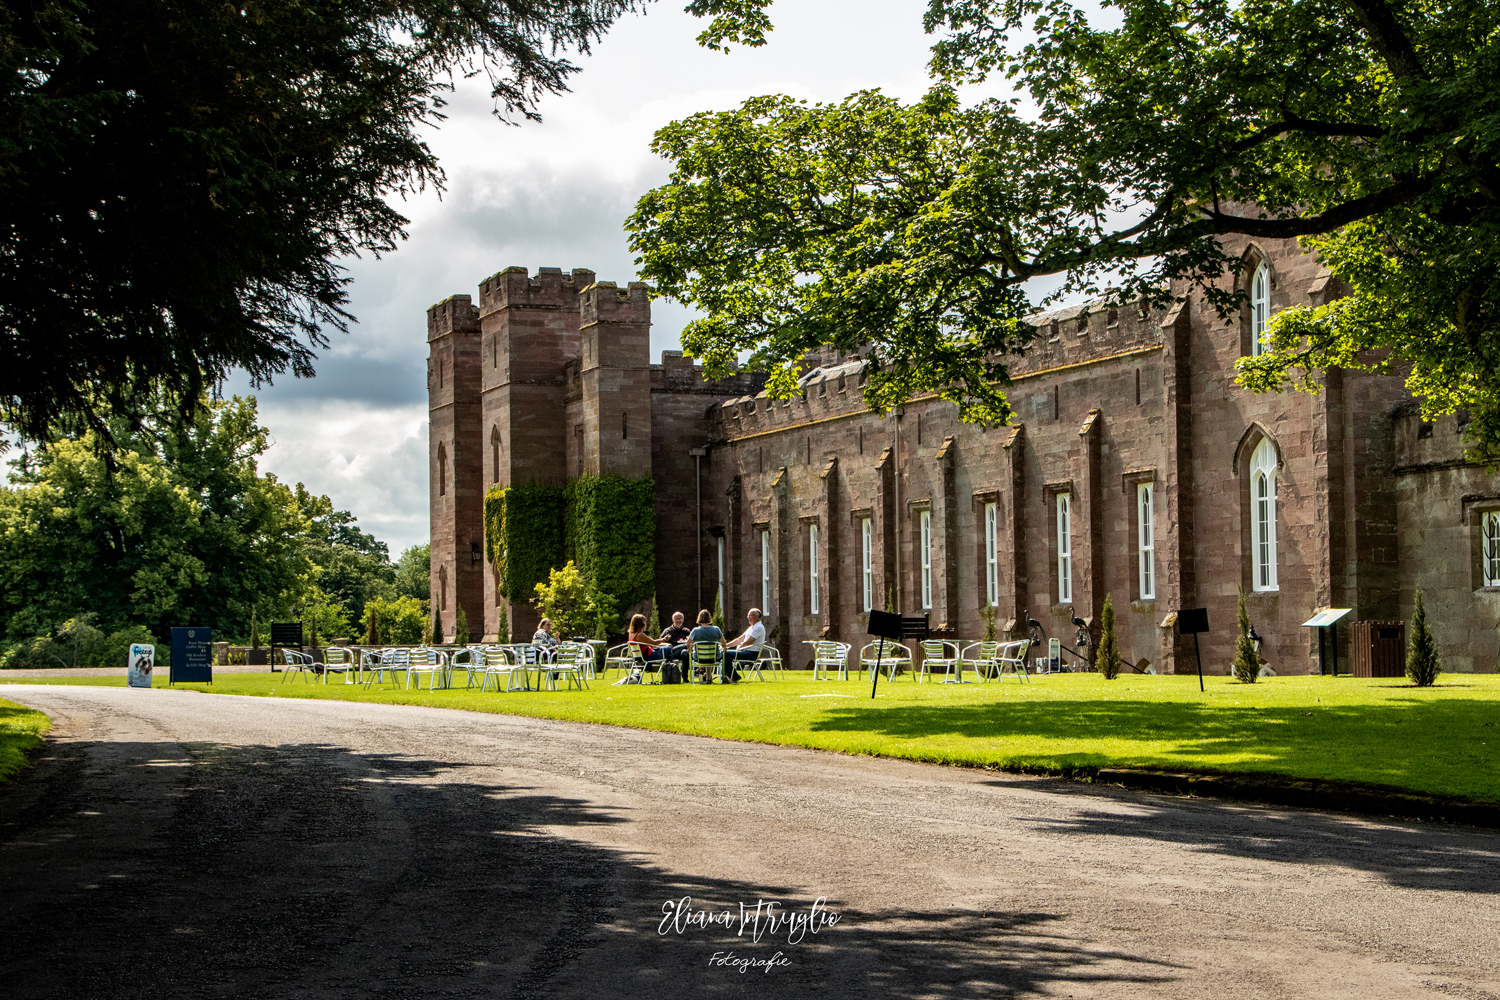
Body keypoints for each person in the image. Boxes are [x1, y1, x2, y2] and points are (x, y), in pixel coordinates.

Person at [675, 609, 724, 682]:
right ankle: (709, 678)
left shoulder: (695, 631)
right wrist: (723, 648)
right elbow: (724, 643)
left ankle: (686, 677)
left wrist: (689, 649)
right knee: (710, 654)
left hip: (698, 657)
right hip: (714, 657)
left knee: (685, 653)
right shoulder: (716, 629)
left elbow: (688, 643)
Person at [723, 608, 767, 683]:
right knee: (725, 653)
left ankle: (731, 677)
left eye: (750, 615)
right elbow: (739, 639)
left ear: (757, 617)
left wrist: (738, 650)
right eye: (748, 615)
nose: (748, 617)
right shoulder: (751, 627)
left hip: (752, 653)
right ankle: (730, 676)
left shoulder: (758, 627)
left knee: (726, 654)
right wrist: (725, 646)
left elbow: (748, 642)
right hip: (746, 651)